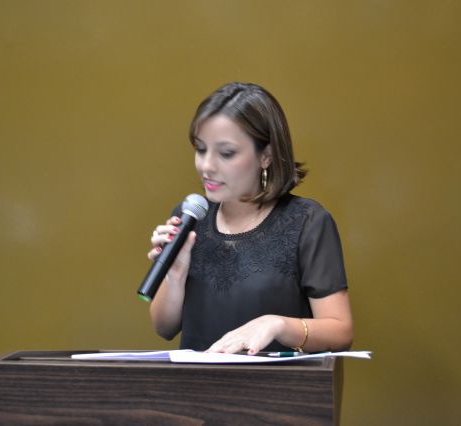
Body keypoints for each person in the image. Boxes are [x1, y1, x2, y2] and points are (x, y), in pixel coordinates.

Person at [147, 82, 352, 355]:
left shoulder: (307, 222)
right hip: (196, 382)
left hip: (276, 383)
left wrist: (277, 325)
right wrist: (175, 276)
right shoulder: (190, 218)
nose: (206, 166)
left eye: (226, 153)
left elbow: (341, 332)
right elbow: (164, 328)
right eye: (201, 149)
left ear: (266, 156)